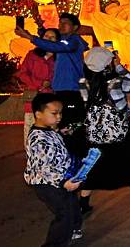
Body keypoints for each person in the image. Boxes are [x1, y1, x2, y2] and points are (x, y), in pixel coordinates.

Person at [79, 47, 130, 211]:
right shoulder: (115, 82)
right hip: (120, 130)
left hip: (96, 132)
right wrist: (119, 67)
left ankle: (83, 204)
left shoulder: (83, 83)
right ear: (107, 64)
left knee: (94, 167)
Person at [16, 13, 89, 148]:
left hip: (70, 91)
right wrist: (40, 27)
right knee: (61, 127)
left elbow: (56, 46)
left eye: (65, 23)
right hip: (60, 91)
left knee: (70, 128)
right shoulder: (62, 42)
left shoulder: (74, 41)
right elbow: (52, 42)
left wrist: (30, 37)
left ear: (75, 27)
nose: (61, 25)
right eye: (59, 23)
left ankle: (76, 157)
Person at [24, 93, 83, 245]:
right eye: (54, 113)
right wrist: (63, 182)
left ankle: (73, 229)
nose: (59, 117)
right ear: (38, 114)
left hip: (62, 177)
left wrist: (61, 133)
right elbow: (44, 169)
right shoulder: (39, 139)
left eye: (60, 113)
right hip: (48, 183)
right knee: (64, 213)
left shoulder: (48, 129)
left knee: (71, 204)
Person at [17, 28, 60, 143]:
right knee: (31, 131)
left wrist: (50, 82)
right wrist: (39, 84)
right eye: (46, 36)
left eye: (52, 37)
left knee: (51, 132)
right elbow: (22, 73)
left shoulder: (60, 58)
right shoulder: (32, 55)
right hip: (33, 97)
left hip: (51, 99)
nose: (49, 39)